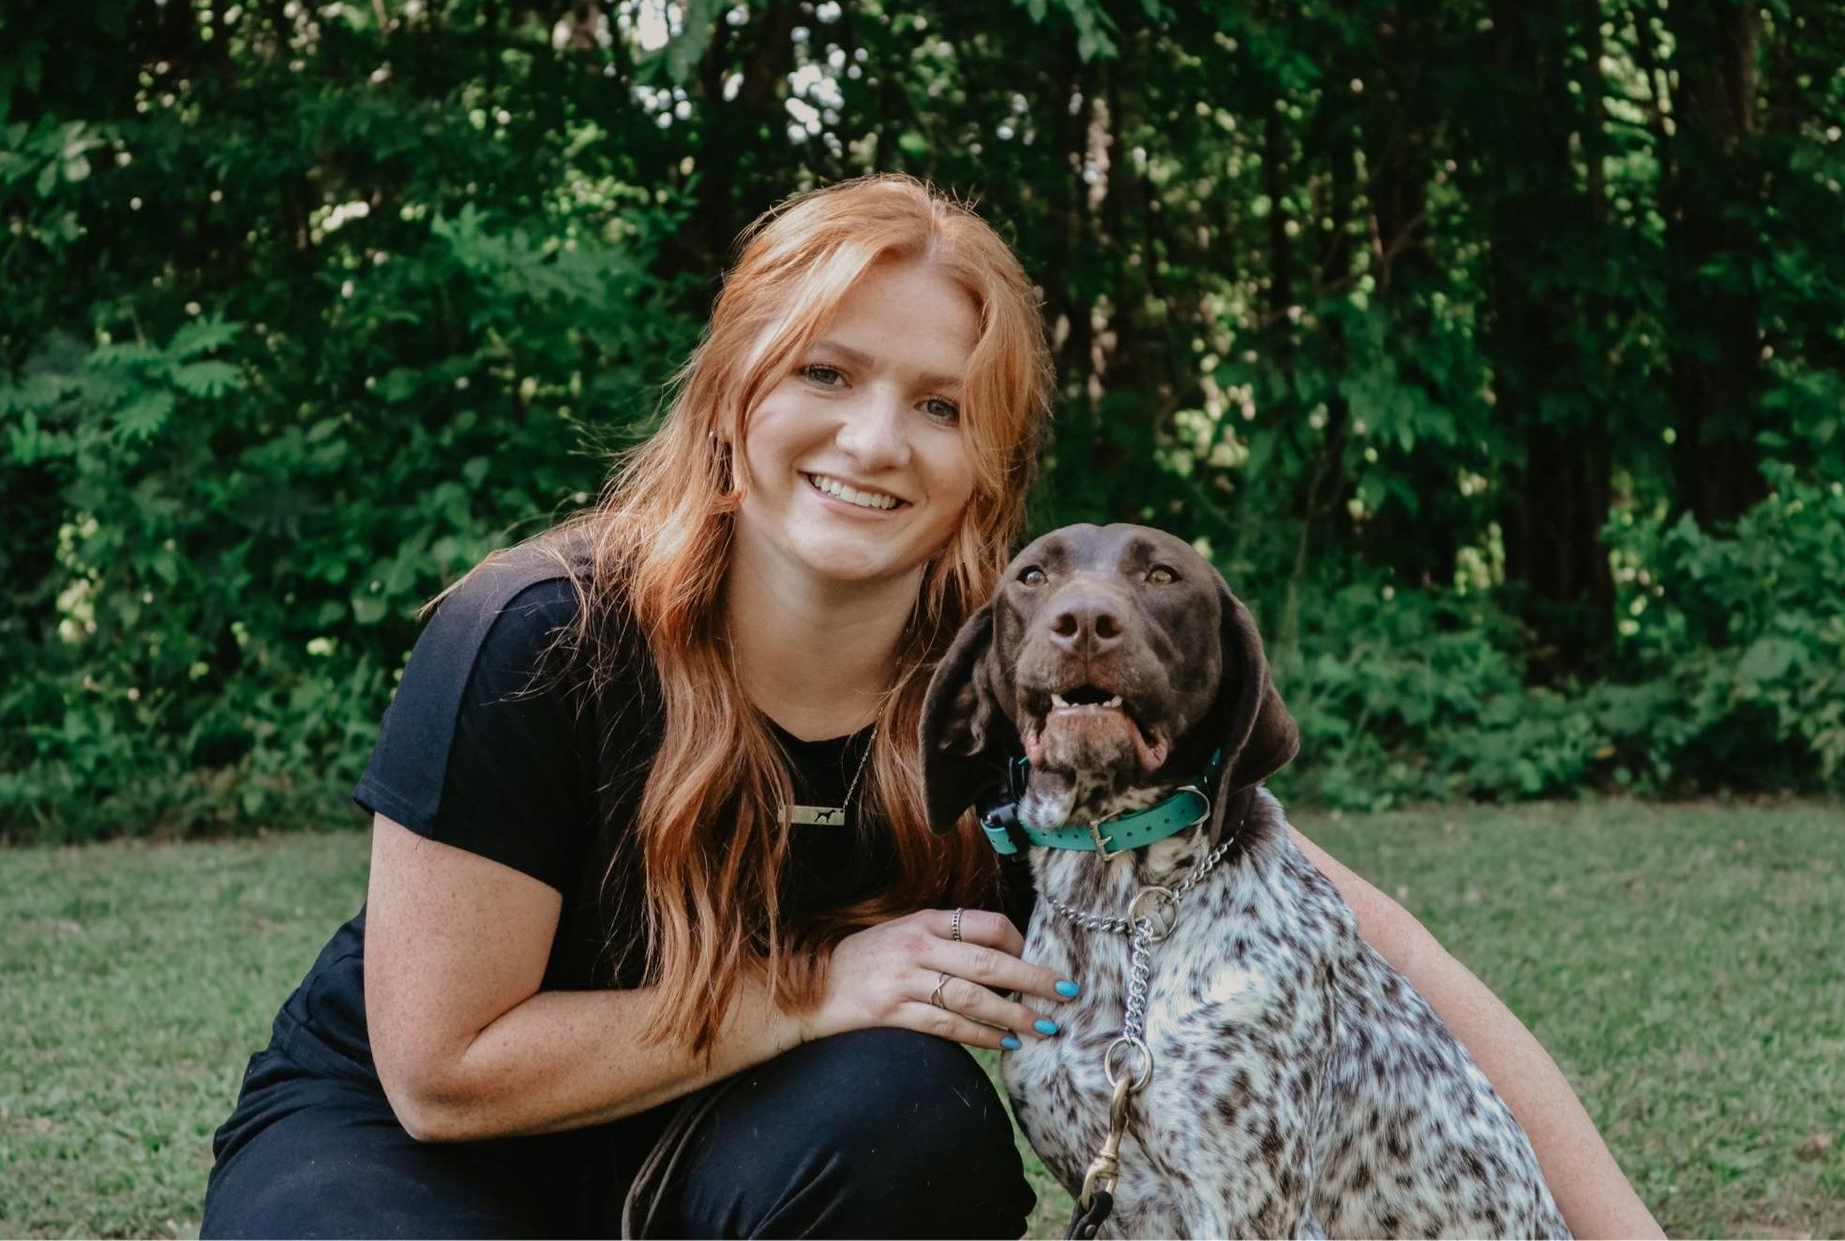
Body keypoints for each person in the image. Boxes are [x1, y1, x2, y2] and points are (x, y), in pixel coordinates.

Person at [201, 175, 1662, 1239]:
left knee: (917, 1122)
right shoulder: (533, 638)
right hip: (413, 1154)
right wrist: (818, 988)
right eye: (826, 374)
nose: (873, 439)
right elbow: (444, 1072)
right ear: (732, 401)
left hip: (738, 1153)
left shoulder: (1009, 704)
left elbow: (1380, 952)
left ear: (988, 468)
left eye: (941, 404)